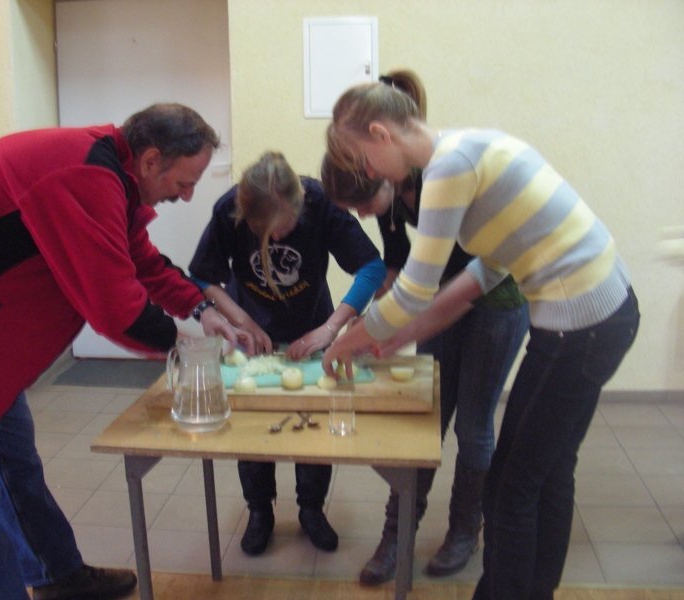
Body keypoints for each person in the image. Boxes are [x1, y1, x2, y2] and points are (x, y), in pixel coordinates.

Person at [0, 103, 241, 600]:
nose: (187, 196)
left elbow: (139, 259)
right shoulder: (81, 174)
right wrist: (186, 346)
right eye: (185, 182)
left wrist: (201, 309)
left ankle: (57, 577)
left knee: (17, 466)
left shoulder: (111, 174)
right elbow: (115, 309)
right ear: (151, 160)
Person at [322, 82, 640, 600]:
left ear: (380, 134)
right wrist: (401, 334)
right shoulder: (467, 150)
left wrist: (344, 342)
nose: (371, 171)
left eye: (365, 158)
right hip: (603, 313)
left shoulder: (449, 166)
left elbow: (414, 290)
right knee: (549, 471)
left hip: (579, 325)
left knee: (510, 489)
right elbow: (483, 274)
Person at [320, 68, 529, 587]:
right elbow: (398, 269)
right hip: (438, 299)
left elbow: (461, 282)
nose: (363, 215)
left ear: (383, 175)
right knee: (426, 421)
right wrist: (375, 319)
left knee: (473, 424)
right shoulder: (389, 198)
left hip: (495, 300)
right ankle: (397, 535)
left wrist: (373, 332)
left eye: (364, 204)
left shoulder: (441, 178)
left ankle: (465, 530)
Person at [188, 151, 385, 556]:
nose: (275, 240)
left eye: (283, 229)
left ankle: (311, 509)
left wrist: (331, 328)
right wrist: (242, 319)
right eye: (263, 233)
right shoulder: (229, 209)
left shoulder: (321, 204)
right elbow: (202, 276)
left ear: (300, 208)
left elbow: (371, 268)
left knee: (313, 422)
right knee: (253, 423)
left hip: (312, 326)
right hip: (251, 330)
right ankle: (259, 510)